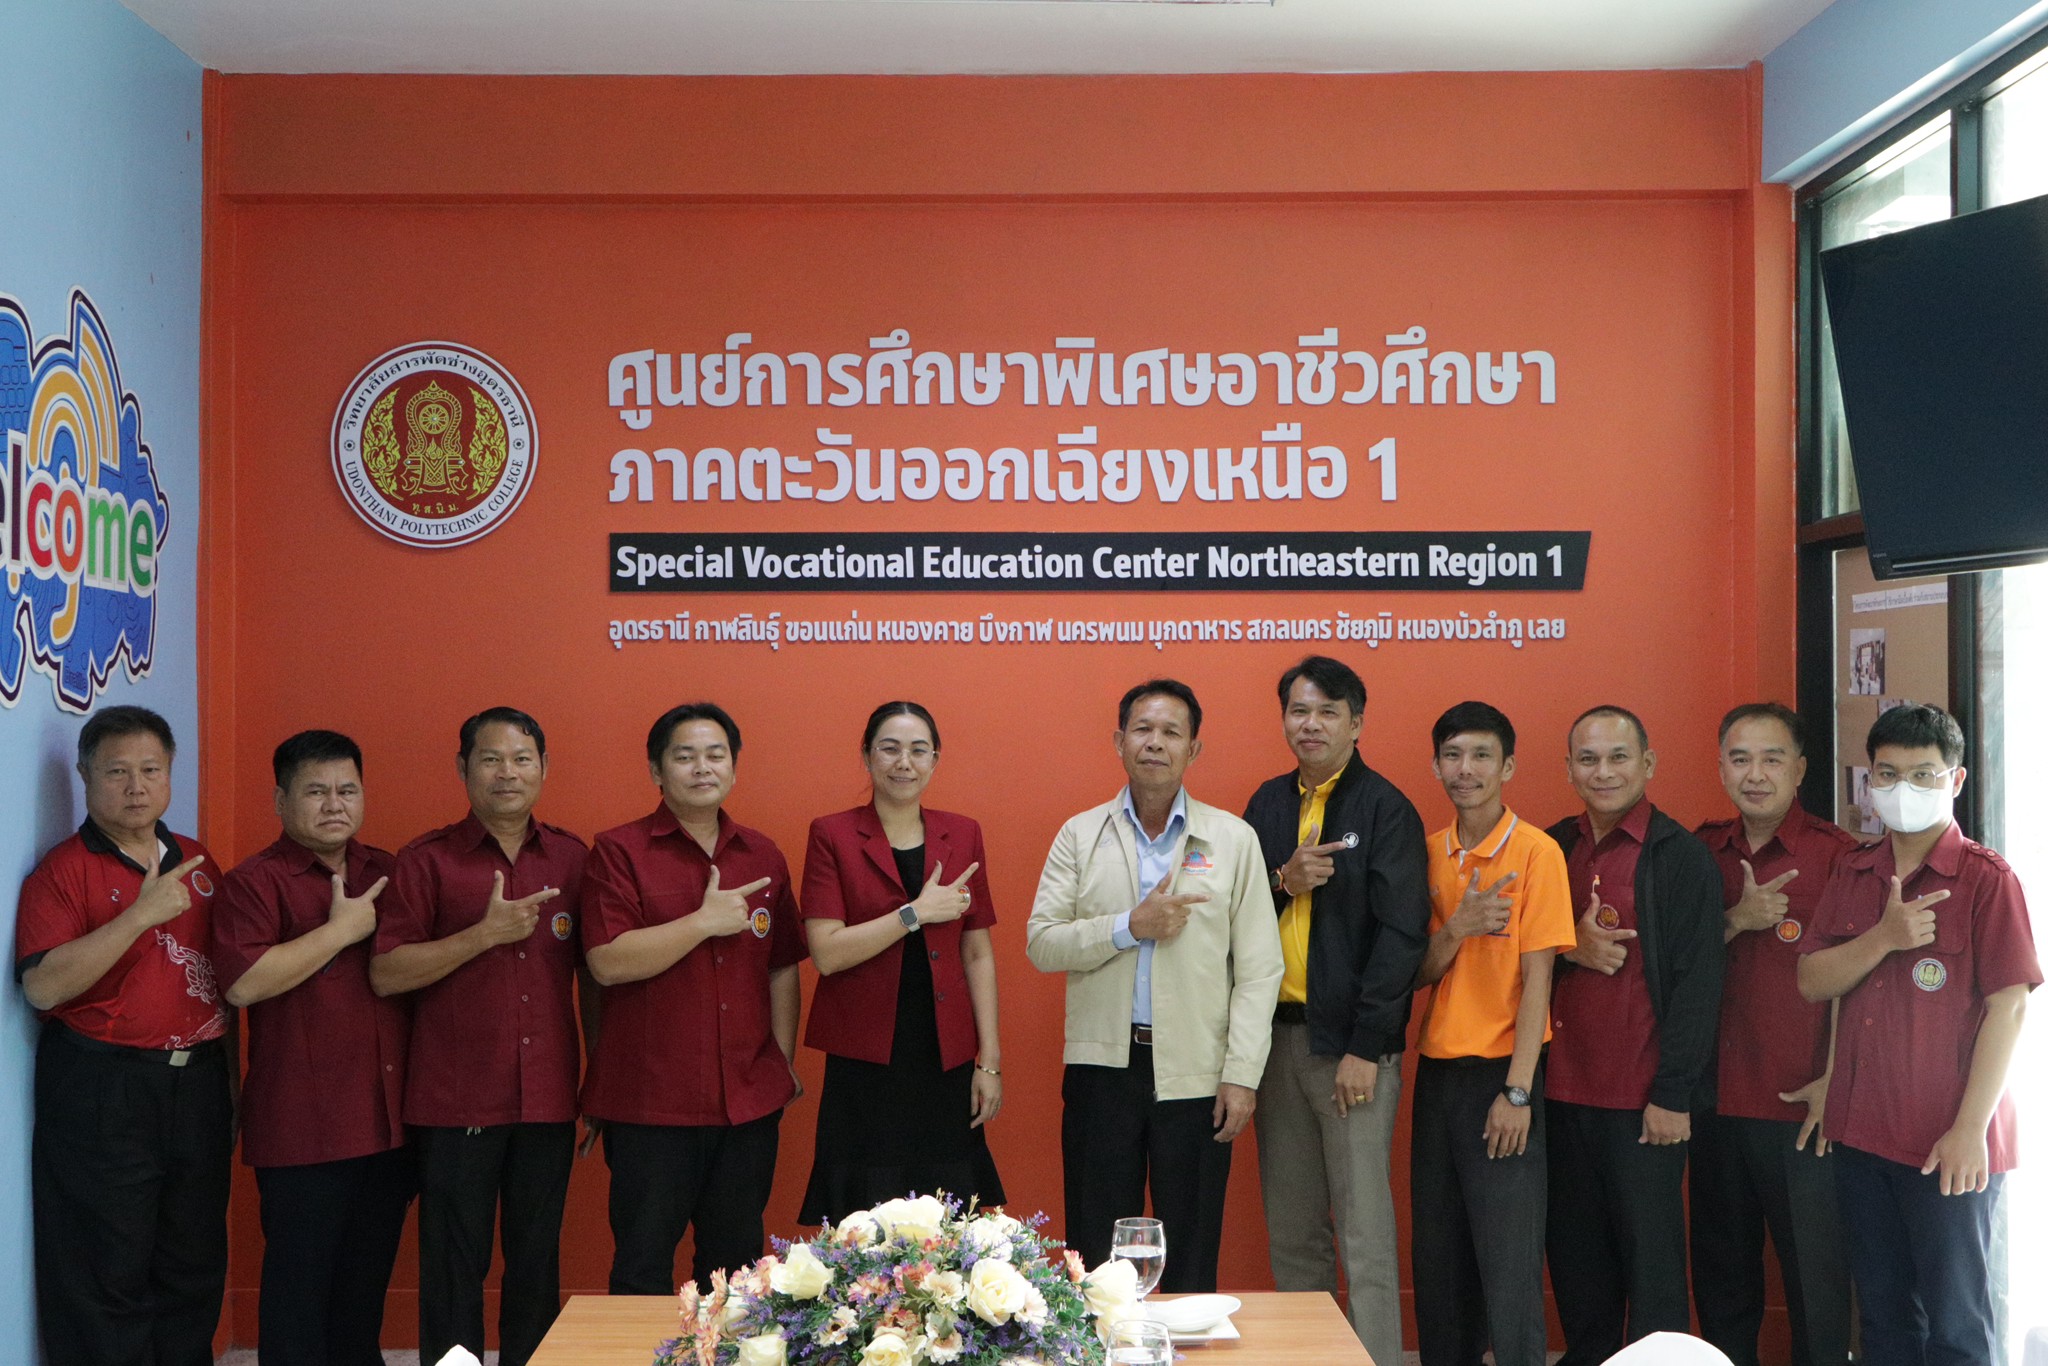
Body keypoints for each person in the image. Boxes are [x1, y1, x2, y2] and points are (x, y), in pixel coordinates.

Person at [1798, 704, 2038, 1366]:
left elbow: (2009, 1009)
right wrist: (1883, 938)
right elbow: (1813, 980)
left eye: (1923, 774)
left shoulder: (1987, 879)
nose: (1903, 788)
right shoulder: (1854, 871)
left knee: (1956, 1325)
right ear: (1869, 779)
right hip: (1861, 1136)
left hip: (1946, 1143)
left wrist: (1970, 1129)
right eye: (1888, 773)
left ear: (1955, 780)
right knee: (1883, 1321)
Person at [1026, 678, 1282, 1292]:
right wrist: (1129, 926)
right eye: (1142, 729)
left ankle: (1186, 1344)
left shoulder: (1232, 839)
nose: (1155, 743)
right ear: (1119, 741)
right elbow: (1042, 942)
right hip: (1101, 1070)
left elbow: (1259, 969)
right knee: (1094, 1255)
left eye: (1172, 732)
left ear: (1194, 749)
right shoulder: (1080, 834)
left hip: (1197, 1074)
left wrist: (1242, 1074)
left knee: (1191, 1253)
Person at [370, 706, 590, 1366]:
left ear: (544, 768)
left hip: (547, 1098)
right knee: (452, 1268)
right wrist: (482, 936)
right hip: (455, 1099)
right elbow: (387, 971)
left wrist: (601, 1079)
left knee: (536, 1262)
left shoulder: (573, 858)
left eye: (522, 759)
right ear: (463, 768)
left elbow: (599, 977)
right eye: (491, 759)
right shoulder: (426, 860)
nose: (507, 773)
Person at [15, 705, 232, 1366]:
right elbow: (43, 987)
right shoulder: (62, 870)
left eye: (150, 770)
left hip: (197, 1083)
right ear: (84, 776)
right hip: (103, 1087)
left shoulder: (198, 859)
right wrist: (139, 916)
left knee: (194, 1259)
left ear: (170, 773)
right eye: (116, 772)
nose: (136, 787)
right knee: (104, 1267)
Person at [1240, 655, 1428, 1361]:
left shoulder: (1384, 807)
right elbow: (1232, 916)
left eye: (1327, 711)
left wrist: (1366, 1045)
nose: (1310, 724)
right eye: (1299, 710)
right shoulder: (1266, 804)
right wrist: (1282, 881)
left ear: (1356, 722)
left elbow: (1402, 936)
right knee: (1294, 1232)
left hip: (1351, 1051)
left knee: (1364, 1233)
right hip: (1276, 1045)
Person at [580, 702, 805, 1293]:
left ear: (733, 766)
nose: (702, 768)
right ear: (656, 770)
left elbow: (782, 964)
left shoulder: (762, 854)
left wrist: (781, 1060)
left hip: (747, 1104)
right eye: (684, 756)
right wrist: (701, 923)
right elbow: (607, 962)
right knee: (642, 1267)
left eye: (715, 755)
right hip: (650, 1105)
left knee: (736, 1272)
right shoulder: (618, 851)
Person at [213, 730, 413, 1366]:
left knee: (362, 1296)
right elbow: (243, 984)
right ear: (280, 800)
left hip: (389, 1123)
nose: (334, 805)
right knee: (298, 1300)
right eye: (316, 791)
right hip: (303, 1126)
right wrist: (340, 932)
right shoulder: (254, 883)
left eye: (347, 790)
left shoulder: (389, 871)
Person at [1543, 705, 1723, 1364]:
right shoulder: (1551, 848)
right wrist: (1570, 947)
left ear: (1647, 764)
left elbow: (1700, 983)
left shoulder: (1682, 858)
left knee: (1653, 1273)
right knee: (1577, 1268)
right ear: (1568, 768)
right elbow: (1519, 958)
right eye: (1588, 758)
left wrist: (1674, 1094)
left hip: (1645, 1105)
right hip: (1560, 1099)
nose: (1603, 771)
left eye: (1619, 757)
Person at [1690, 704, 1855, 1366]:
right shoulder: (1699, 852)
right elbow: (1669, 964)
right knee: (1722, 1281)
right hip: (1711, 1102)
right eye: (1740, 759)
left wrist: (1837, 1079)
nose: (1754, 775)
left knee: (1817, 1281)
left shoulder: (1840, 856)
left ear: (1801, 769)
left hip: (1801, 1103)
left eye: (1771, 759)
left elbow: (1863, 982)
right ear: (1721, 767)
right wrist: (1736, 918)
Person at [1410, 702, 1574, 1366]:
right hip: (1436, 1077)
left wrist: (1517, 1093)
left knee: (1508, 1265)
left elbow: (1540, 981)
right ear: (1435, 765)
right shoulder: (1427, 853)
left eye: (1481, 756)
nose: (1466, 769)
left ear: (1507, 766)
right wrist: (1459, 926)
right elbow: (1414, 974)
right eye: (1453, 755)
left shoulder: (1537, 852)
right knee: (1439, 1260)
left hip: (1504, 1076)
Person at [797, 700, 1005, 1223]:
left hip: (945, 1058)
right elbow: (827, 952)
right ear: (866, 755)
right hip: (865, 1061)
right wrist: (914, 914)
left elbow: (977, 951)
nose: (904, 763)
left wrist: (989, 1061)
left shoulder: (962, 833)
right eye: (889, 749)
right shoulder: (832, 834)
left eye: (918, 750)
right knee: (864, 1217)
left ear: (936, 759)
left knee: (949, 1219)